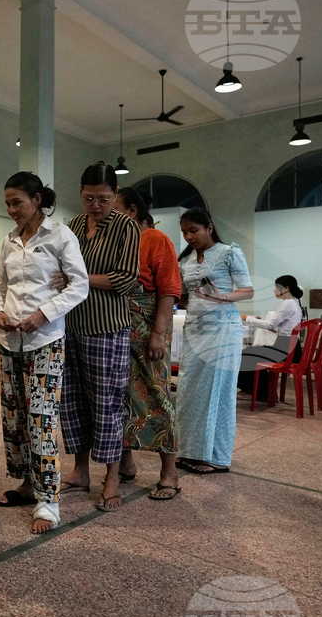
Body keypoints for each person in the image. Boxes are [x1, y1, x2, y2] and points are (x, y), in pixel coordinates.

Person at [0, 172, 88, 534]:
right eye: (8, 204)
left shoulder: (60, 235)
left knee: (40, 418)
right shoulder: (9, 240)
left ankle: (48, 499)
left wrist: (42, 315)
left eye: (18, 203)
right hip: (8, 341)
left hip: (45, 340)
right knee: (14, 418)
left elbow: (79, 287)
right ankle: (27, 484)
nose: (12, 210)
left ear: (36, 200)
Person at [53, 162, 140, 513]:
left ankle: (113, 477)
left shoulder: (126, 227)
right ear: (80, 194)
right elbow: (58, 270)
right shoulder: (71, 226)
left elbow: (125, 279)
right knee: (72, 403)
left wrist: (80, 279)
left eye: (103, 198)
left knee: (107, 406)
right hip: (70, 326)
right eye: (89, 198)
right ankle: (80, 471)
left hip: (107, 329)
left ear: (115, 195)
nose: (96, 205)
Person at [113, 188, 182, 501]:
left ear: (130, 211)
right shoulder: (115, 242)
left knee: (156, 394)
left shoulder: (155, 238)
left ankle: (169, 473)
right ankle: (126, 464)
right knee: (120, 397)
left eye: (111, 208)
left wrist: (157, 334)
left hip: (146, 325)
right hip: (114, 327)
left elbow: (168, 290)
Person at [175, 208, 254, 475]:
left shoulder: (228, 252)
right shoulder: (184, 261)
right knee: (188, 391)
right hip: (195, 328)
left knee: (217, 391)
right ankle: (189, 451)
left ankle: (218, 457)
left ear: (209, 227)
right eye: (184, 232)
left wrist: (222, 297)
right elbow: (185, 297)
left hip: (223, 328)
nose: (188, 236)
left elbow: (247, 290)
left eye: (193, 230)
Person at [238, 275, 304, 394]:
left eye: (277, 288)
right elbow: (280, 329)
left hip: (285, 350)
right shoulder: (294, 303)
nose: (274, 290)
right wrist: (256, 321)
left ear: (286, 288)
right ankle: (261, 391)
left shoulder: (287, 304)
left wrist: (246, 317)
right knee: (250, 353)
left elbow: (269, 325)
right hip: (292, 348)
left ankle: (260, 391)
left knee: (246, 354)